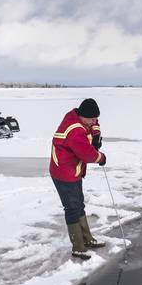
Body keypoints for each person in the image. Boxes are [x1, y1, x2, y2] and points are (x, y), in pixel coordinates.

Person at [50, 98, 107, 260]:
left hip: (73, 170)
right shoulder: (74, 130)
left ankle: (87, 239)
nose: (94, 122)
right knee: (72, 208)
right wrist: (100, 157)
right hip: (64, 172)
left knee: (79, 204)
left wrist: (96, 135)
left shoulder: (81, 117)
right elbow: (87, 154)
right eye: (91, 119)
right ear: (82, 116)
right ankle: (78, 247)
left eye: (95, 118)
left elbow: (94, 123)